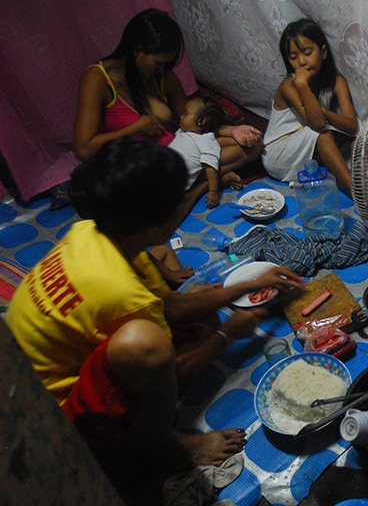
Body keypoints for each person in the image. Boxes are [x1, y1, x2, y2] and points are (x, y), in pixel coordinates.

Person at [5, 138, 304, 493]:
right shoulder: (120, 291)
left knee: (200, 303)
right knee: (149, 343)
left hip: (22, 373)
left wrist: (247, 285)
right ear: (153, 222)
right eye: (177, 202)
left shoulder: (94, 231)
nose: (183, 208)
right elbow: (173, 372)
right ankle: (169, 447)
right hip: (52, 419)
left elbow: (170, 305)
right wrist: (228, 336)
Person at [72, 8, 262, 189]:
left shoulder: (162, 76)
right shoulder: (98, 78)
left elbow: (193, 122)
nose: (162, 70)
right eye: (158, 63)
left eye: (166, 64)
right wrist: (137, 128)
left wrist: (233, 131)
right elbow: (84, 149)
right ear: (138, 51)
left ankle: (197, 182)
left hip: (177, 157)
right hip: (137, 170)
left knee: (252, 145)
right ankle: (204, 184)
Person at [261, 18, 358, 189]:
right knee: (322, 135)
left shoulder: (337, 82)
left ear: (323, 53)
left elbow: (352, 126)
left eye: (307, 53)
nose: (302, 62)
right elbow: (318, 123)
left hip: (304, 145)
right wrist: (302, 85)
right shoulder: (289, 86)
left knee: (360, 132)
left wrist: (323, 110)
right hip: (278, 153)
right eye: (293, 57)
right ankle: (356, 192)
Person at [169, 96, 231, 209]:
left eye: (186, 114)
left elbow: (211, 166)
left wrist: (213, 191)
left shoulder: (206, 140)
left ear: (201, 121)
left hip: (173, 182)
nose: (181, 116)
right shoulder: (182, 132)